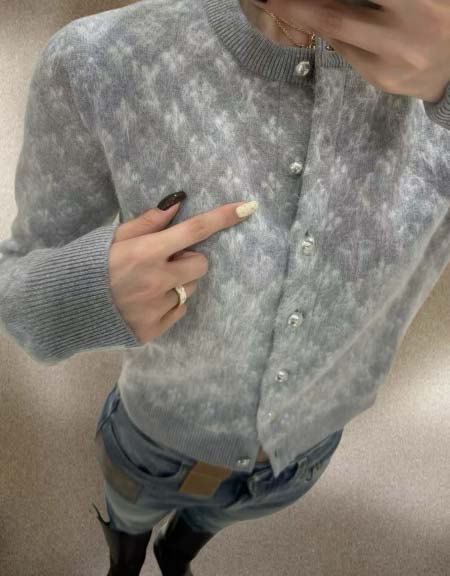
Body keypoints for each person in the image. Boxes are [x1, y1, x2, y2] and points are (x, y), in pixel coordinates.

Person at [1, 0, 449, 575]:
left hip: (303, 458)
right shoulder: (101, 58)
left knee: (199, 531)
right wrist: (89, 288)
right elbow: (16, 286)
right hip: (152, 445)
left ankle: (176, 555)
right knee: (128, 522)